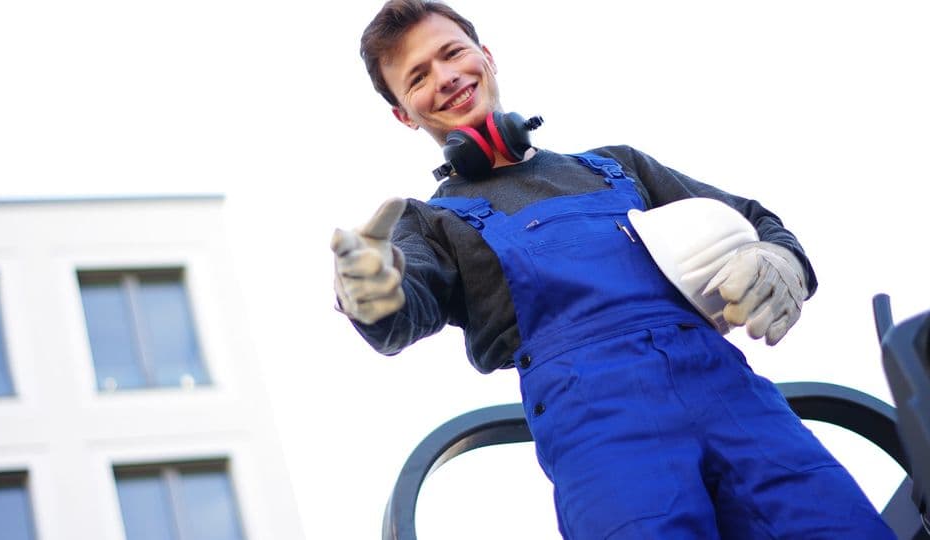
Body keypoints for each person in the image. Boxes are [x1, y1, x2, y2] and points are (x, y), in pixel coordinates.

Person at [332, 1, 895, 538]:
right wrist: (373, 295)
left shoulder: (616, 167)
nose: (446, 76)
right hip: (603, 433)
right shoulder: (431, 223)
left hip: (736, 400)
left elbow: (754, 220)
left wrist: (782, 259)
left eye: (452, 53)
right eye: (419, 76)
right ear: (404, 114)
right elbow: (404, 308)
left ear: (486, 55)